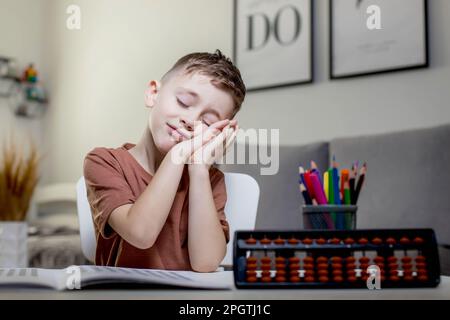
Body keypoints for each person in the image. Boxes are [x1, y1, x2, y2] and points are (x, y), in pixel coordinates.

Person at [83, 50, 246, 272]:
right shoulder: (104, 161)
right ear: (153, 93)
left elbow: (206, 263)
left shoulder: (210, 179)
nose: (190, 120)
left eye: (207, 122)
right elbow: (141, 234)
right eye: (183, 102)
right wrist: (178, 155)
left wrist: (198, 170)